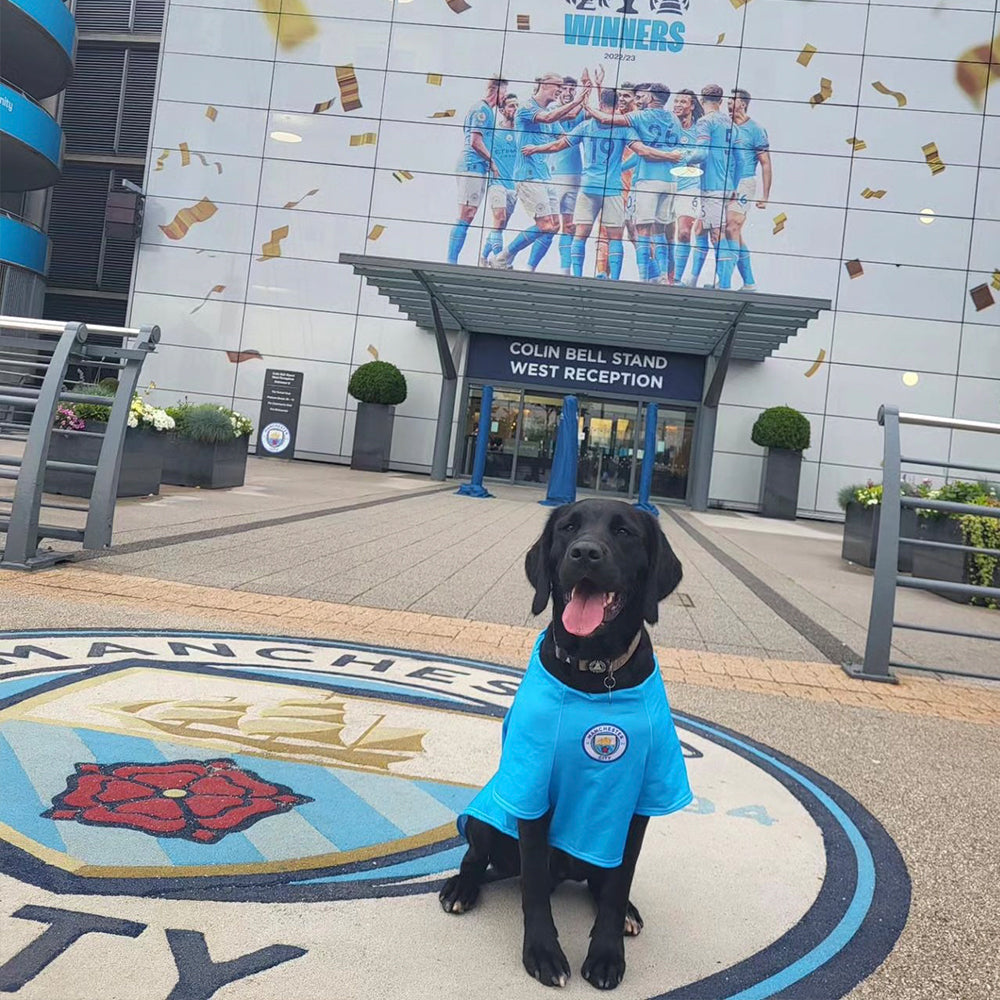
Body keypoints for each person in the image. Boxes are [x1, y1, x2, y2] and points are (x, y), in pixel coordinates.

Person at [523, 87, 651, 281]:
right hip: (611, 189)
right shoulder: (625, 129)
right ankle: (614, 280)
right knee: (615, 237)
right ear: (617, 104)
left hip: (588, 187)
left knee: (580, 235)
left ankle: (577, 277)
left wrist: (536, 148)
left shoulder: (586, 126)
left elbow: (558, 145)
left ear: (600, 104)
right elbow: (641, 151)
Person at [589, 77, 684, 283]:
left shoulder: (640, 117)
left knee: (641, 231)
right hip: (669, 180)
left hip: (647, 180)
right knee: (658, 230)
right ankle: (661, 276)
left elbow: (606, 120)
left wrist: (584, 103)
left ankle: (645, 278)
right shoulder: (674, 119)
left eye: (643, 95)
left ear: (651, 97)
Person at [492, 72, 589, 270]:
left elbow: (563, 140)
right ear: (545, 85)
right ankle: (502, 257)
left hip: (544, 176)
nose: (560, 91)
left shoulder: (549, 115)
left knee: (554, 227)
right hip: (528, 176)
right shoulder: (527, 107)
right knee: (545, 225)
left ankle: (506, 258)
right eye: (558, 86)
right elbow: (548, 117)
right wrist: (577, 101)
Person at [449, 76, 507, 265]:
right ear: (495, 90)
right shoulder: (481, 110)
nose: (504, 97)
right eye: (504, 92)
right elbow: (475, 141)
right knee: (466, 213)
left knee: (470, 213)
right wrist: (492, 161)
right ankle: (451, 262)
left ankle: (453, 261)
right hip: (471, 166)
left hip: (477, 168)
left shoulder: (487, 111)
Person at [719, 88, 771, 291]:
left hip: (744, 182)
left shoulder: (755, 129)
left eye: (733, 100)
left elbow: (765, 163)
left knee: (732, 227)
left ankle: (724, 283)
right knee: (729, 232)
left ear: (743, 104)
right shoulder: (724, 125)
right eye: (728, 101)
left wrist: (765, 196)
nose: (729, 104)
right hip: (723, 182)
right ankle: (749, 282)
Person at [685, 83, 730, 288]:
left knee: (716, 234)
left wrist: (684, 158)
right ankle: (692, 279)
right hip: (727, 182)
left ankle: (724, 284)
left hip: (712, 184)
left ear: (702, 101)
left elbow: (701, 153)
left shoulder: (705, 121)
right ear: (721, 101)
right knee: (700, 230)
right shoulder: (729, 122)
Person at [549, 77, 586, 275]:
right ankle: (525, 264)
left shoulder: (580, 111)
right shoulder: (552, 109)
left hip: (574, 173)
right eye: (565, 88)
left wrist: (592, 88)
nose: (568, 92)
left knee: (569, 225)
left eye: (573, 89)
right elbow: (569, 114)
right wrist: (584, 95)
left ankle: (565, 271)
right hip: (554, 173)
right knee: (548, 225)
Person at [668, 88, 704, 285]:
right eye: (676, 101)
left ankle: (677, 280)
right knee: (663, 235)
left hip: (689, 186)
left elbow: (705, 154)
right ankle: (665, 276)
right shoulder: (667, 126)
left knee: (683, 232)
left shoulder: (700, 130)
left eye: (683, 102)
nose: (678, 105)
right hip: (666, 184)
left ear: (692, 106)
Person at [480, 93, 520, 265]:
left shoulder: (522, 133)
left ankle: (483, 257)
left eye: (517, 105)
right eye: (511, 106)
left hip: (513, 187)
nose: (515, 109)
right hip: (496, 183)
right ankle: (499, 262)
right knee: (500, 218)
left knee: (499, 225)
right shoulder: (493, 133)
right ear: (502, 110)